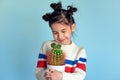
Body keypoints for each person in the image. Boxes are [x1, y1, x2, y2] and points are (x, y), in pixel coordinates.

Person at [35, 2, 87, 80]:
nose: (60, 36)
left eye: (63, 31)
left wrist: (61, 76)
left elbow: (80, 76)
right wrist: (48, 75)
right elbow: (38, 71)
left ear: (72, 27)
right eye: (55, 33)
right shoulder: (46, 45)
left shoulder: (79, 51)